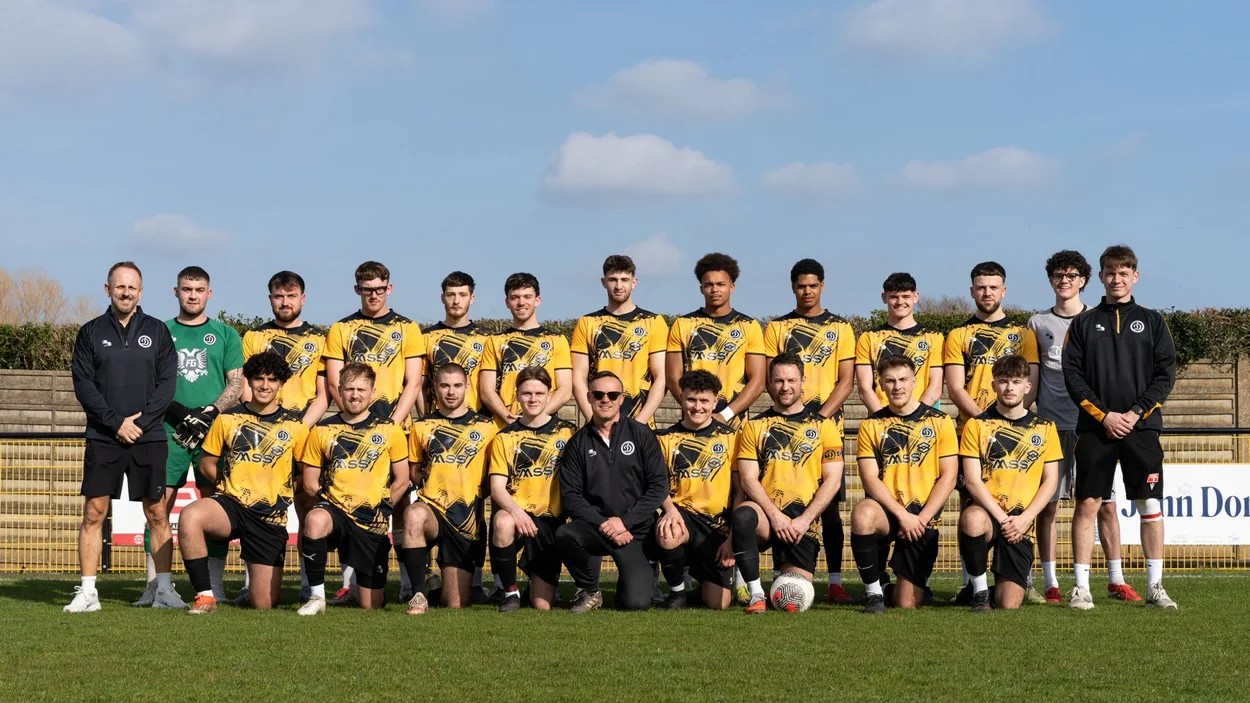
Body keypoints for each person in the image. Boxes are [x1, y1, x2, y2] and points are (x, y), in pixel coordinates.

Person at [1063, 245, 1178, 610]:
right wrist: (1105, 416)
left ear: (1135, 277)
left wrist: (1136, 413)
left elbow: (1166, 373)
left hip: (1141, 428)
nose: (1117, 279)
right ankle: (1082, 588)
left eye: (1124, 273)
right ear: (1100, 277)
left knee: (1149, 504)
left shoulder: (1154, 321)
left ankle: (1155, 587)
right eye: (1110, 273)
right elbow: (1072, 375)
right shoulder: (1083, 323)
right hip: (1097, 429)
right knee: (1088, 503)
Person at [66, 262, 177, 613]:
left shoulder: (158, 331)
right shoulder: (90, 332)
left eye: (132, 287)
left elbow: (167, 386)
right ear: (107, 289)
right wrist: (116, 423)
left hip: (149, 436)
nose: (125, 292)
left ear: (140, 291)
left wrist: (140, 423)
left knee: (158, 513)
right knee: (94, 512)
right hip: (104, 437)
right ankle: (88, 593)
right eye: (119, 287)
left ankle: (163, 590)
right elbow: (83, 385)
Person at [135, 266, 244, 607]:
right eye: (187, 289)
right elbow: (149, 384)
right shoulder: (159, 331)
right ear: (175, 292)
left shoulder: (226, 334)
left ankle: (213, 585)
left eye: (199, 289)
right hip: (167, 431)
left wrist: (210, 411)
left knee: (215, 510)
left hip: (214, 433)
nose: (193, 294)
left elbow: (236, 383)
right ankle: (156, 585)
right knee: (157, 508)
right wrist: (181, 413)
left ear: (209, 294)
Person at [1028, 251, 1132, 603]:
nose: (1065, 280)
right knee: (1049, 506)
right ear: (1051, 280)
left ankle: (1116, 579)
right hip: (1052, 428)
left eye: (1072, 275)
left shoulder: (1099, 319)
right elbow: (1033, 375)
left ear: (1085, 279)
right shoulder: (1037, 323)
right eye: (1058, 274)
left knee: (1104, 505)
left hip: (1095, 425)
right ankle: (1051, 582)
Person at [178, 352, 310, 614]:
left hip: (269, 516)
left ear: (281, 383)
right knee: (190, 516)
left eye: (272, 380)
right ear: (248, 381)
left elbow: (306, 473)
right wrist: (227, 484)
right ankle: (205, 597)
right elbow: (206, 463)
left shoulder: (295, 426)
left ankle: (252, 575)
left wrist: (283, 493)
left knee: (264, 604)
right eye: (258, 378)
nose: (264, 385)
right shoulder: (227, 419)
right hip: (232, 504)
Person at [325, 260, 425, 604]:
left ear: (389, 289)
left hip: (395, 428)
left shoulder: (407, 328)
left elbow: (414, 382)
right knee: (348, 500)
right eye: (367, 290)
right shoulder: (341, 328)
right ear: (357, 290)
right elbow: (337, 383)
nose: (373, 295)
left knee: (399, 504)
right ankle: (350, 585)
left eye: (379, 289)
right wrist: (354, 420)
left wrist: (392, 424)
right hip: (353, 429)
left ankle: (410, 585)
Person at [944, 261, 1039, 603]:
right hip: (972, 431)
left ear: (1004, 291)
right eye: (981, 287)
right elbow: (955, 388)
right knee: (971, 507)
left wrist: (1007, 420)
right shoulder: (958, 335)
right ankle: (973, 582)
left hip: (1016, 430)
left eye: (993, 287)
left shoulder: (1022, 335)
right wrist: (985, 421)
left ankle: (1020, 578)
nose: (987, 292)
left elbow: (1033, 382)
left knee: (1020, 498)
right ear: (972, 291)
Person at [763, 258, 856, 604]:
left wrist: (817, 421)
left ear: (822, 286)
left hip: (824, 429)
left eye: (813, 285)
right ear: (793, 288)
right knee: (777, 497)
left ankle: (834, 581)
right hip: (784, 428)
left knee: (829, 508)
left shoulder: (841, 328)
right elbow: (772, 378)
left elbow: (846, 382)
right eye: (801, 286)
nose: (807, 291)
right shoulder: (777, 328)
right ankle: (772, 575)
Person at [240, 270, 329, 603]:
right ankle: (250, 583)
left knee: (307, 503)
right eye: (279, 296)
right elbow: (247, 388)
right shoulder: (254, 337)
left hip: (302, 434)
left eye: (291, 296)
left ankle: (310, 584)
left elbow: (325, 394)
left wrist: (300, 428)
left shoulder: (320, 339)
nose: (285, 302)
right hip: (260, 434)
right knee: (254, 506)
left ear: (302, 299)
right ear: (270, 299)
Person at [731, 353, 844, 614]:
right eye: (779, 380)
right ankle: (756, 594)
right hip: (768, 518)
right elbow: (748, 478)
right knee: (743, 515)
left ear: (803, 382)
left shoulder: (825, 427)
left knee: (792, 596)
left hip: (801, 523)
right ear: (769, 384)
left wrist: (804, 520)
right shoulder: (754, 426)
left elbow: (833, 480)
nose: (785, 386)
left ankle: (780, 575)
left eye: (791, 380)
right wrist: (776, 517)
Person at [295, 362, 409, 615]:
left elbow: (402, 479)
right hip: (335, 511)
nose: (355, 395)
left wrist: (384, 507)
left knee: (371, 605)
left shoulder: (390, 429)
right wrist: (329, 502)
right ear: (340, 390)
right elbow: (310, 481)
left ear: (372, 392)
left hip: (371, 518)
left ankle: (358, 589)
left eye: (360, 389)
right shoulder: (322, 430)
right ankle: (316, 597)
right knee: (314, 520)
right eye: (349, 389)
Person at [850, 355, 958, 614]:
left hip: (923, 518)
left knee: (906, 604)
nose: (897, 386)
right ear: (881, 385)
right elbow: (869, 478)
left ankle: (889, 588)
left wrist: (920, 518)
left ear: (914, 382)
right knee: (863, 513)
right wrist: (901, 515)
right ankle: (874, 595)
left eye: (902, 380)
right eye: (890, 381)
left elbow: (949, 477)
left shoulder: (940, 422)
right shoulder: (871, 425)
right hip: (889, 513)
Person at [556, 372, 669, 612]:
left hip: (634, 531)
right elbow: (571, 497)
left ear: (622, 399)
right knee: (565, 534)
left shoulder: (642, 435)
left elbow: (659, 486)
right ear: (588, 397)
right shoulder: (577, 443)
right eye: (598, 394)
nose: (605, 399)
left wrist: (625, 522)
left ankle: (632, 585)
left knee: (635, 604)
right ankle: (590, 590)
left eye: (612, 394)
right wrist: (605, 524)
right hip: (597, 528)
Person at [957, 355, 1061, 612]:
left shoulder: (1045, 427)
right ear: (994, 385)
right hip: (990, 514)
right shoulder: (977, 425)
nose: (1009, 387)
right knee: (971, 519)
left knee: (1009, 604)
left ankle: (992, 588)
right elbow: (971, 480)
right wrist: (1002, 518)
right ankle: (979, 592)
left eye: (1016, 381)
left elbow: (1051, 481)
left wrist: (1025, 519)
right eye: (1003, 381)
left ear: (1028, 386)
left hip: (1022, 520)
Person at [418, 271, 494, 602]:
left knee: (474, 505)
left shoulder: (487, 338)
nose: (456, 300)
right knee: (422, 508)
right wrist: (425, 421)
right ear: (442, 298)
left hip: (474, 431)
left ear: (471, 298)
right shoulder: (426, 337)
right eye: (450, 294)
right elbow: (420, 384)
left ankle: (473, 582)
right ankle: (418, 584)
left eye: (462, 294)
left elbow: (491, 386)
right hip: (437, 430)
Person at [402, 363, 499, 613]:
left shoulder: (487, 428)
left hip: (465, 519)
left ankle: (434, 587)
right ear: (435, 388)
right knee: (414, 515)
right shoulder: (421, 426)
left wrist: (474, 493)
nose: (451, 391)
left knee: (454, 604)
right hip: (433, 510)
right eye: (444, 385)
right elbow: (415, 470)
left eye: (457, 385)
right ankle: (418, 594)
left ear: (467, 387)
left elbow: (494, 476)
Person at [486, 367, 577, 612]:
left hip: (550, 521)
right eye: (527, 393)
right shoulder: (504, 438)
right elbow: (497, 488)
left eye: (539, 393)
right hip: (519, 516)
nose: (533, 399)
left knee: (541, 605)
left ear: (550, 396)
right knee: (502, 522)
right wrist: (517, 512)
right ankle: (510, 593)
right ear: (517, 395)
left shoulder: (568, 433)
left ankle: (534, 589)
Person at [652, 370, 739, 610]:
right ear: (682, 398)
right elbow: (657, 484)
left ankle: (701, 588)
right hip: (682, 517)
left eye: (703, 401)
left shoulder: (732, 438)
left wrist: (733, 538)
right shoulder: (665, 438)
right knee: (668, 533)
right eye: (691, 399)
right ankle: (677, 592)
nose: (697, 407)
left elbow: (741, 491)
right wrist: (669, 510)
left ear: (715, 401)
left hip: (717, 527)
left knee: (718, 604)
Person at [666, 252, 765, 430]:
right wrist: (697, 410)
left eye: (721, 284)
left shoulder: (749, 326)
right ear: (701, 288)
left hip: (734, 425)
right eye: (708, 285)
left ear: (732, 287)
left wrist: (724, 415)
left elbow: (758, 380)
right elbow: (673, 377)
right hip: (692, 424)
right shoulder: (682, 325)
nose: (714, 290)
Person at [571, 255, 669, 425]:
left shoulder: (654, 322)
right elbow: (578, 378)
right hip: (599, 421)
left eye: (624, 279)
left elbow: (661, 376)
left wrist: (640, 422)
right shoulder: (587, 323)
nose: (618, 286)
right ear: (603, 282)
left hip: (640, 420)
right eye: (613, 280)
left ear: (634, 282)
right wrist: (592, 419)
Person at [479, 273, 573, 428]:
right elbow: (486, 390)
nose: (521, 302)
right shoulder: (494, 341)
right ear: (507, 302)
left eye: (527, 296)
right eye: (515, 297)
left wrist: (538, 417)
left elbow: (564, 389)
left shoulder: (557, 340)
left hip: (546, 428)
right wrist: (508, 417)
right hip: (505, 427)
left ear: (537, 300)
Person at [854, 272, 945, 413]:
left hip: (922, 421)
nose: (900, 302)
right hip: (882, 422)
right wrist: (884, 419)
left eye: (906, 296)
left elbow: (935, 385)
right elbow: (864, 389)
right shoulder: (868, 338)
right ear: (884, 298)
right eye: (894, 297)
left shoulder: (934, 337)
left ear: (916, 297)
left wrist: (916, 417)